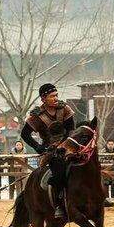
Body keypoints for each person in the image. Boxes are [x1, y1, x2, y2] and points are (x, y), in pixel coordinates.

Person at [21, 83, 75, 218]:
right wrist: (38, 147)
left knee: (88, 162)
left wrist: (66, 145)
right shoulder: (37, 116)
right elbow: (25, 135)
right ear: (43, 99)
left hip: (68, 146)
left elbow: (71, 130)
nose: (56, 98)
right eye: (52, 96)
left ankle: (98, 196)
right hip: (51, 152)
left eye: (56, 95)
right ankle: (59, 205)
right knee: (59, 173)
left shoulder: (65, 109)